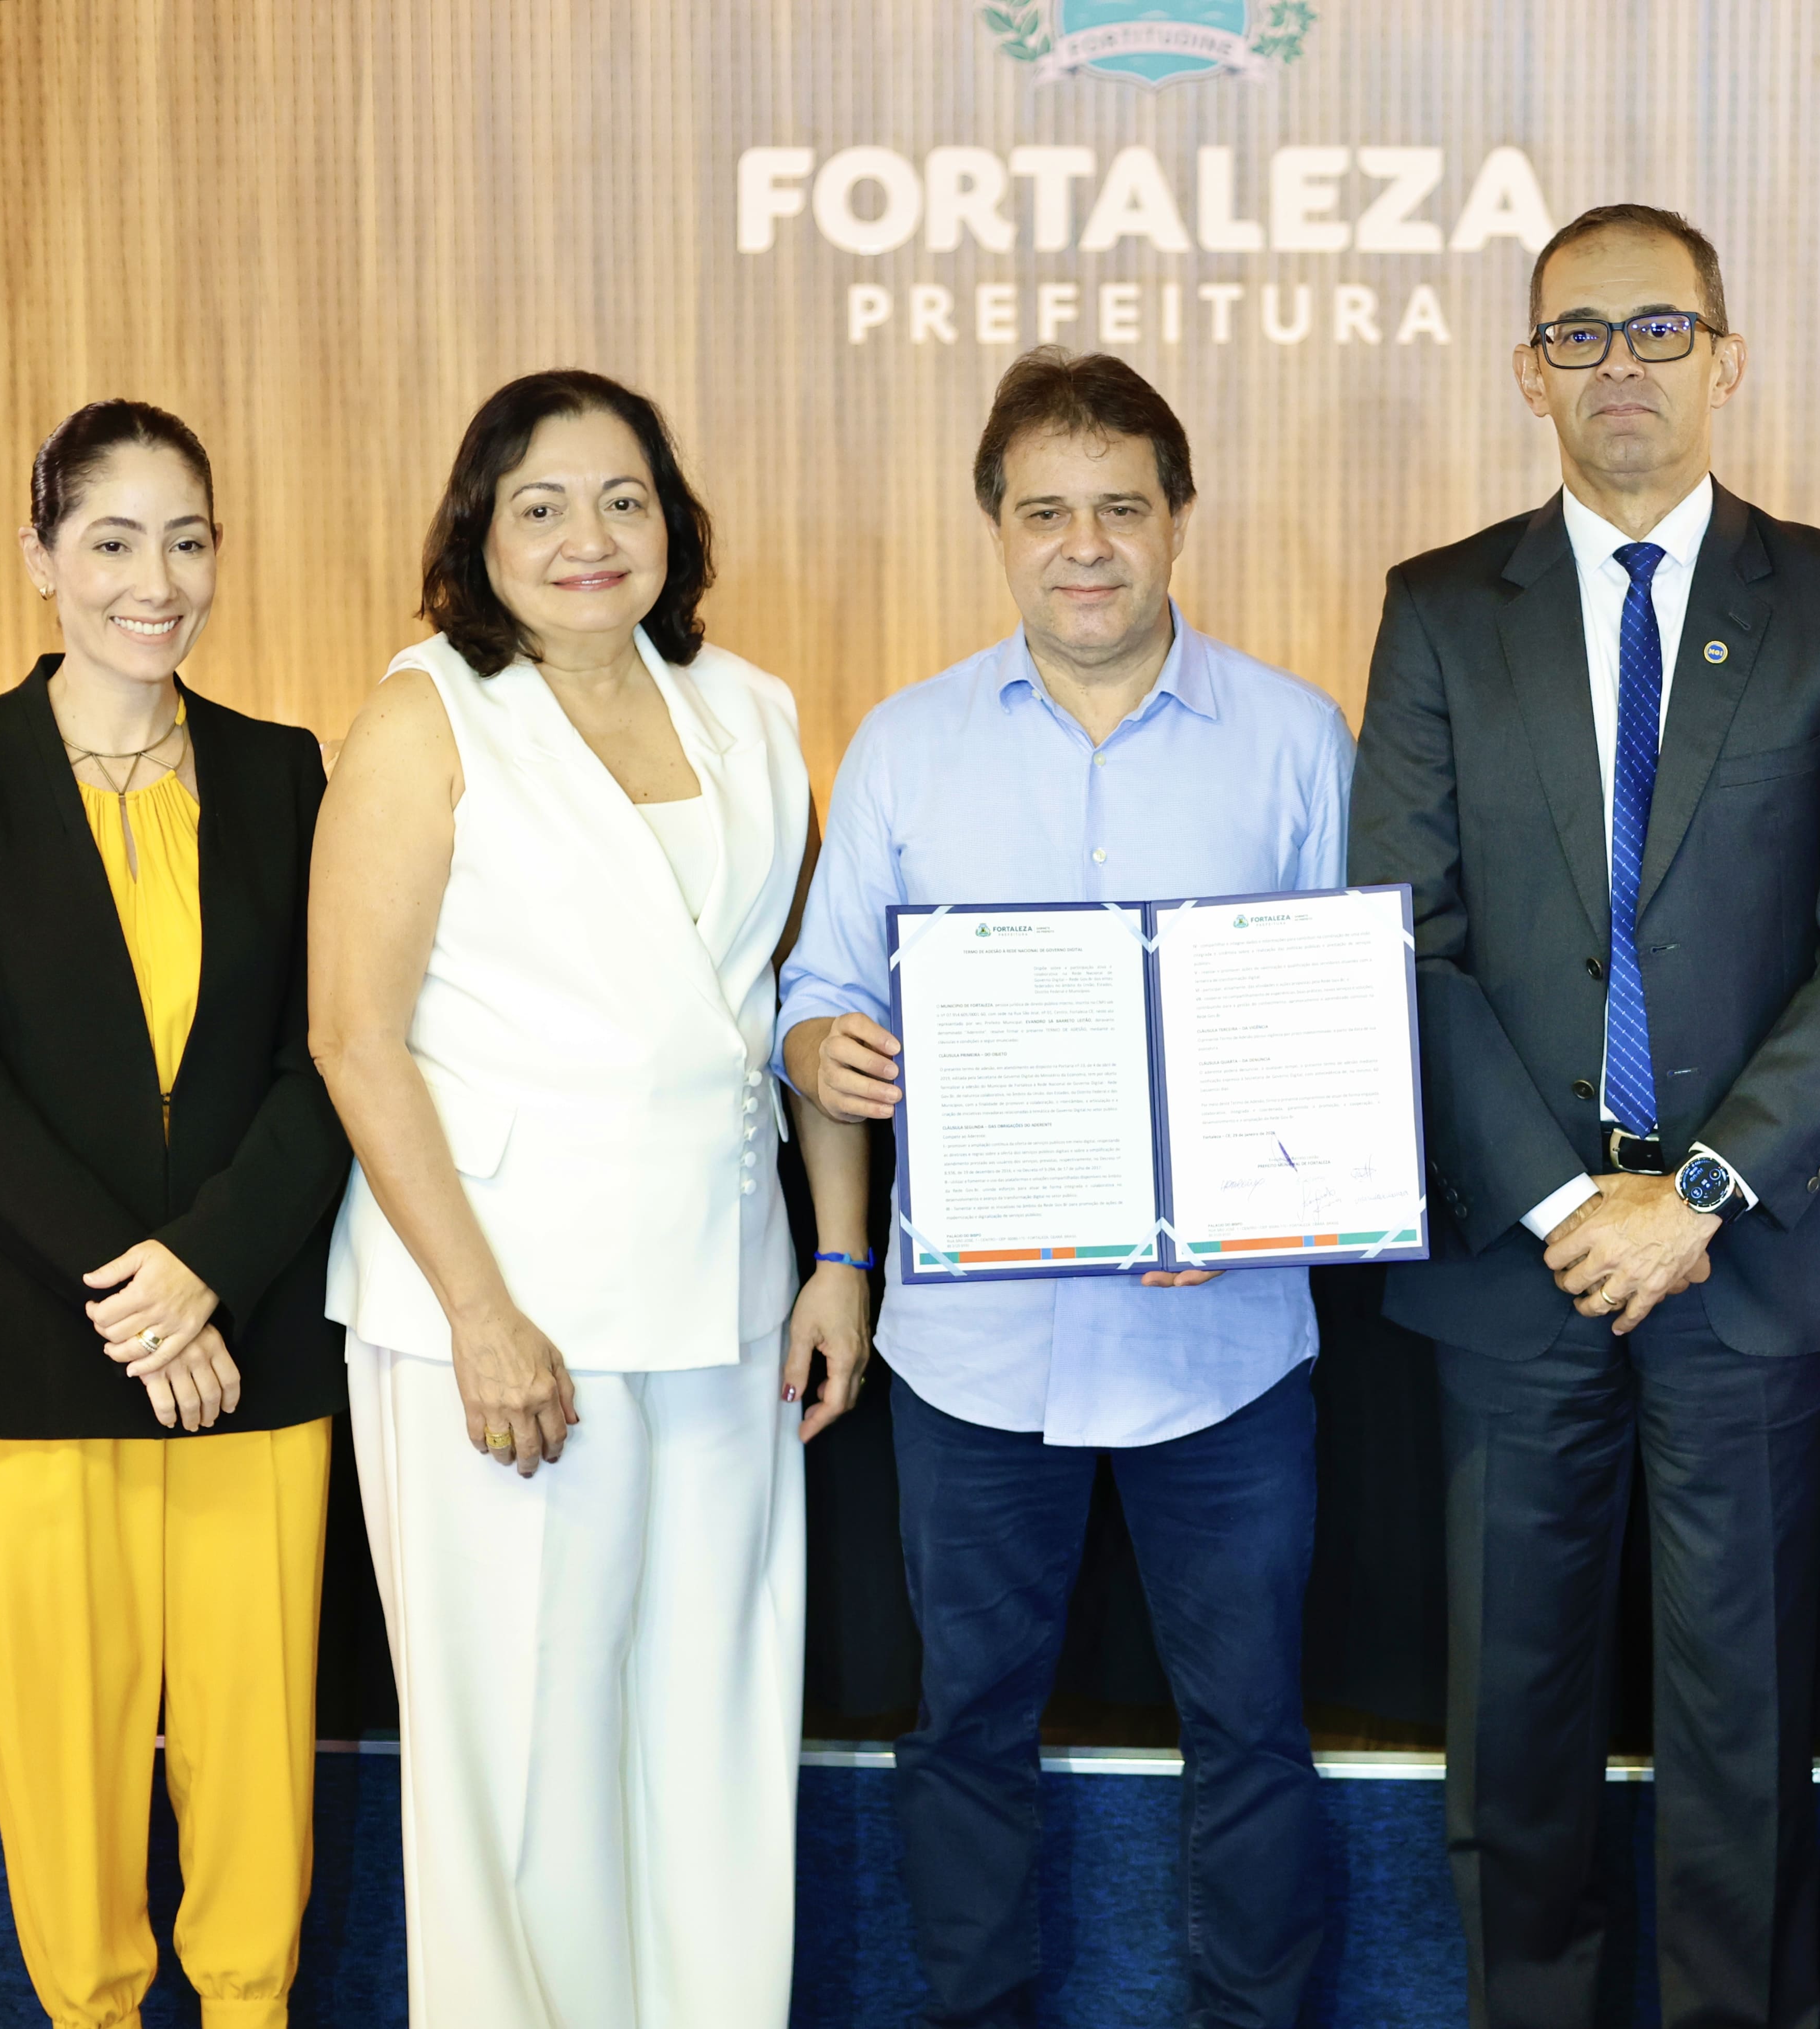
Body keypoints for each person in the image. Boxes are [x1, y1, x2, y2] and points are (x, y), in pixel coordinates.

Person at [1348, 203, 1820, 2027]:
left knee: (1739, 1732)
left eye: (1660, 329)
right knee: (1513, 1726)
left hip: (1741, 1258)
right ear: (1530, 374)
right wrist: (1564, 1205)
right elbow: (1409, 939)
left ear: (1727, 359)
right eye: (1581, 334)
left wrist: (1691, 1194)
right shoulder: (1441, 609)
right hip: (1516, 1259)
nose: (1622, 365)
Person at [782, 347, 1352, 2028]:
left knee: (1252, 1729)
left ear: (1180, 519)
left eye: (1119, 508)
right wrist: (823, 1054)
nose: (1084, 546)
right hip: (975, 1350)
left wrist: (1245, 1194)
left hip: (1222, 1344)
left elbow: (1347, 1024)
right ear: (997, 528)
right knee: (965, 1725)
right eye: (1046, 513)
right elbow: (820, 998)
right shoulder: (906, 746)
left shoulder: (1295, 738)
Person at [309, 370, 841, 2028]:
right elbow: (353, 1035)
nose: (587, 537)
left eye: (623, 499)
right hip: (505, 1315)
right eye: (538, 506)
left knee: (714, 1729)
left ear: (673, 521)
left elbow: (789, 1010)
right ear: (479, 531)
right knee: (526, 1766)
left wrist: (837, 1253)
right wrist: (482, 1316)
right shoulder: (427, 716)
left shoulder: (750, 706)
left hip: (729, 1299)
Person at [0, 400, 351, 2028]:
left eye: (189, 540)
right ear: (41, 557)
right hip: (36, 1348)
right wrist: (139, 1296)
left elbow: (324, 1057)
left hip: (251, 1345)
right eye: (113, 541)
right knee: (66, 1772)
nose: (158, 582)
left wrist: (204, 1271)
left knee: (253, 1758)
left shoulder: (285, 771)